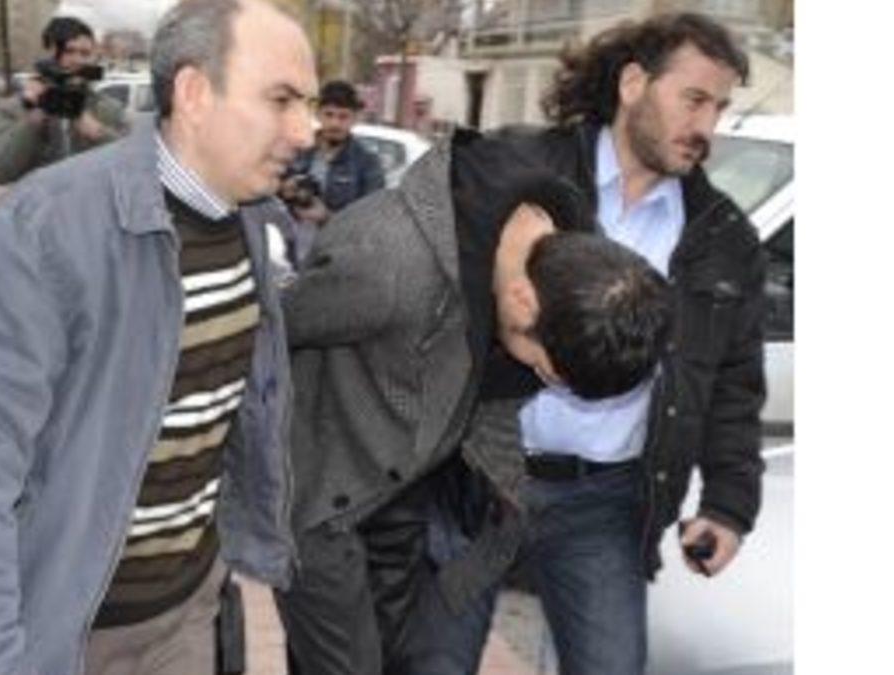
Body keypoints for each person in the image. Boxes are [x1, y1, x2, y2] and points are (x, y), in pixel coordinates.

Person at [0, 2, 318, 674]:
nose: (306, 129)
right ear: (195, 93)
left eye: (309, 105)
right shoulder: (45, 231)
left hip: (187, 617)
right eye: (281, 100)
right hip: (52, 632)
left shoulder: (253, 224)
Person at [416, 12, 769, 675]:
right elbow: (420, 292)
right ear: (634, 84)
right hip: (473, 480)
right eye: (693, 98)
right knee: (429, 664)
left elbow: (735, 381)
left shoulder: (723, 237)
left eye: (719, 107)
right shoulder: (515, 169)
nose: (707, 125)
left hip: (603, 504)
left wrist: (728, 504)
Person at [273, 119, 674, 674]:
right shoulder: (388, 267)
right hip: (325, 505)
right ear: (522, 301)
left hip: (404, 498)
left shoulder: (572, 267)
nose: (543, 385)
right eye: (545, 372)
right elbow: (272, 329)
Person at [0, 15, 130, 185]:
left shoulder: (110, 110)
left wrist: (99, 134)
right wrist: (34, 120)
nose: (78, 60)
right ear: (47, 55)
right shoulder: (14, 108)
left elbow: (134, 171)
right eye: (68, 51)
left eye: (85, 53)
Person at [277, 79, 385, 265]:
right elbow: (263, 201)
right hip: (288, 258)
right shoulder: (295, 150)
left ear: (355, 118)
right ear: (317, 114)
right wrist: (283, 190)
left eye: (343, 117)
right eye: (329, 114)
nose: (335, 123)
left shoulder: (367, 163)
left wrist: (326, 217)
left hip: (337, 263)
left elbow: (372, 223)